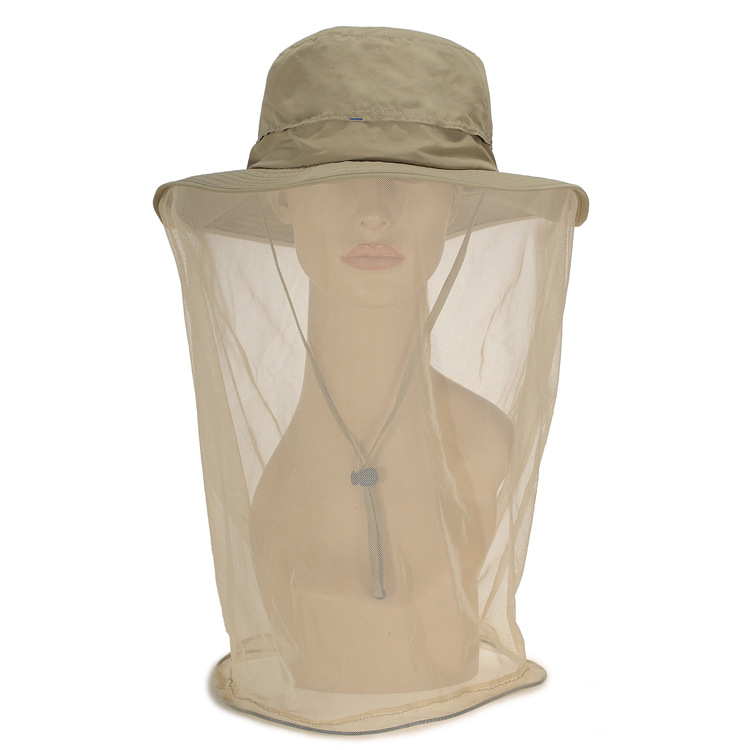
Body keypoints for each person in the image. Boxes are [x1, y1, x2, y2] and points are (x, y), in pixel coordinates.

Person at [249, 177, 514, 693]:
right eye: (338, 175)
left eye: (407, 176)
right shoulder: (279, 501)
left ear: (453, 198)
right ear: (282, 197)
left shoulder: (480, 446)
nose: (374, 213)